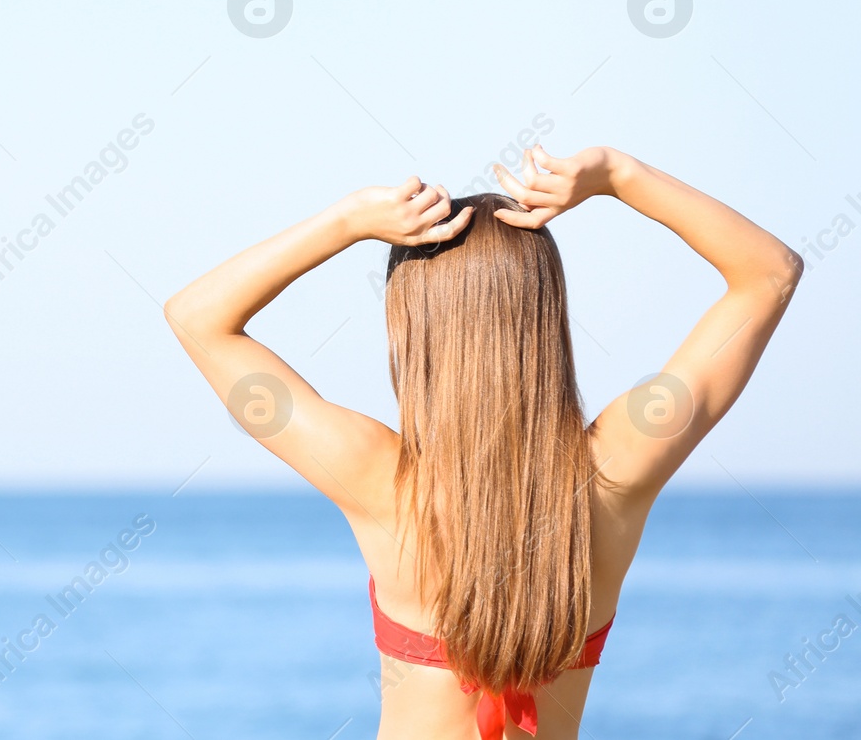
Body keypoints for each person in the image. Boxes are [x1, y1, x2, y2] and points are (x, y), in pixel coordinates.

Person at [163, 145, 802, 739]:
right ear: (547, 313)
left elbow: (199, 319)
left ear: (408, 328)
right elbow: (768, 274)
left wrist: (349, 220)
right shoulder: (616, 468)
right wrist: (615, 174)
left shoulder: (377, 478)